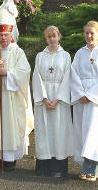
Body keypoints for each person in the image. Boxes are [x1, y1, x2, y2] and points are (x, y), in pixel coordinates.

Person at [0, 1, 34, 171]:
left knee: (10, 126)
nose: (3, 38)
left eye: (6, 34)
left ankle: (10, 159)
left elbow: (25, 72)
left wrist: (8, 73)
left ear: (11, 33)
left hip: (11, 98)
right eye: (0, 35)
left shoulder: (18, 52)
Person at [71, 21, 98, 181]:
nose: (89, 36)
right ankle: (90, 167)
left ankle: (92, 168)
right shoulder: (79, 53)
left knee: (94, 132)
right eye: (87, 33)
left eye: (92, 33)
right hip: (81, 97)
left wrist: (90, 96)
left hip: (97, 100)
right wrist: (80, 94)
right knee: (82, 132)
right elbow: (73, 74)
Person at [32, 26, 73, 177]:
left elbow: (68, 77)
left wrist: (58, 99)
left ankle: (58, 168)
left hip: (59, 98)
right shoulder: (40, 56)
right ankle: (43, 167)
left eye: (54, 36)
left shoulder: (66, 56)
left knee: (59, 131)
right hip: (44, 98)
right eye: (49, 37)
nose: (51, 39)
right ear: (46, 39)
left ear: (59, 37)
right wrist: (44, 98)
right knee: (45, 131)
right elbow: (36, 76)